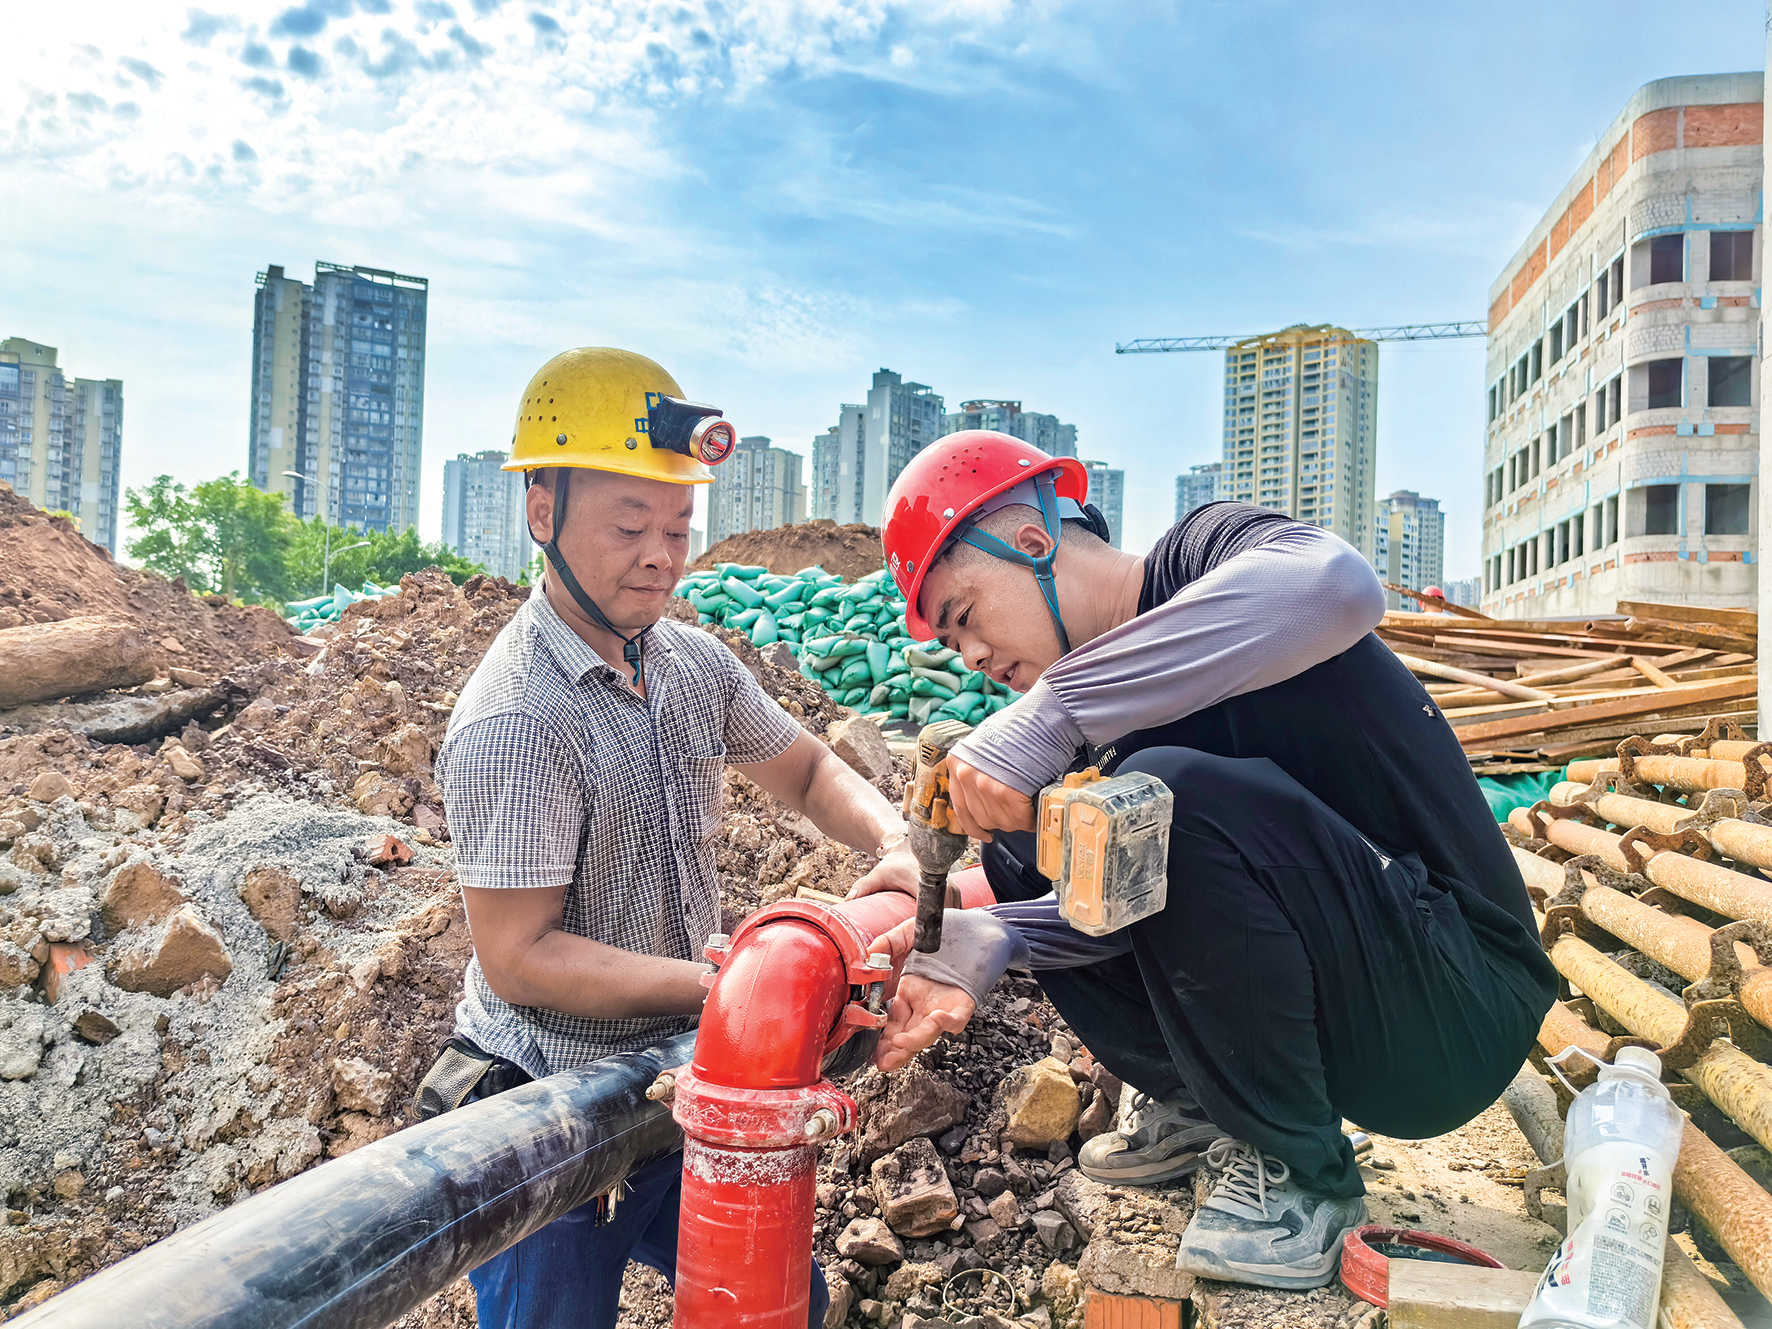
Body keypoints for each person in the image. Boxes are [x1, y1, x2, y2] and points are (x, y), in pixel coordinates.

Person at [855, 431, 1557, 1291]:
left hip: (1455, 1001)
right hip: (1364, 995)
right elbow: (1143, 902)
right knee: (1042, 835)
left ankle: (1303, 1173)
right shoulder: (1114, 724)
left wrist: (1052, 711)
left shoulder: (1205, 556)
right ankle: (1210, 1108)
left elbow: (1340, 585)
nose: (968, 656)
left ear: (1033, 543)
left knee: (1160, 797)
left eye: (963, 615)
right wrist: (989, 930)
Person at [431, 347, 924, 1329]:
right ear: (541, 513)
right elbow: (519, 959)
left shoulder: (690, 666)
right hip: (553, 1114)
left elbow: (811, 772)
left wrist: (892, 840)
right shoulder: (518, 720)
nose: (661, 552)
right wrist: (733, 987)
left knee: (786, 1295)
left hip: (674, 1077)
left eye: (676, 526)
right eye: (628, 527)